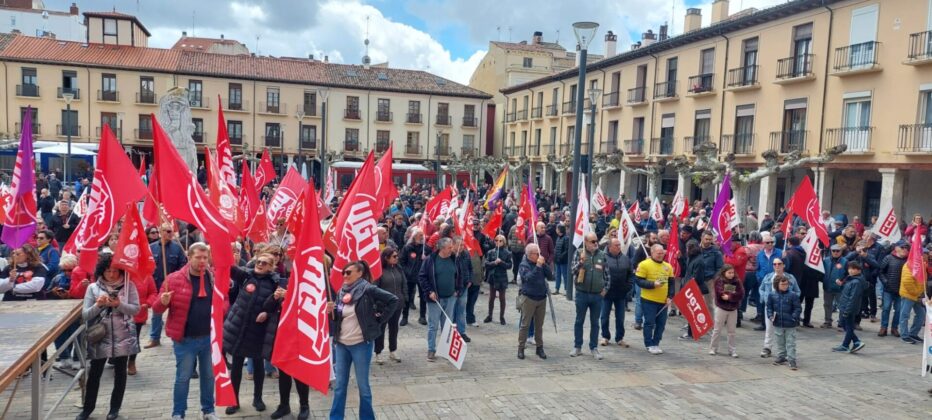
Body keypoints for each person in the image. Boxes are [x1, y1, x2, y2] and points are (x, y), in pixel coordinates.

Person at [151, 243, 220, 420]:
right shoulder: (174, 279)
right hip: (185, 339)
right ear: (189, 258)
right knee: (183, 377)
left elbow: (223, 301)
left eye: (205, 257)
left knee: (208, 376)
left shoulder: (213, 277)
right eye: (198, 257)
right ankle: (178, 413)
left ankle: (208, 410)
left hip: (209, 338)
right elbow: (156, 309)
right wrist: (163, 302)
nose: (202, 261)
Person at [328, 260, 399, 420]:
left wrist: (379, 321)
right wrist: (331, 311)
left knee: (363, 387)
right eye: (343, 273)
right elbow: (338, 318)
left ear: (359, 273)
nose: (345, 275)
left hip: (360, 345)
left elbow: (393, 300)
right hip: (342, 344)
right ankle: (335, 417)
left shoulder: (368, 289)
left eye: (348, 272)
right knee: (339, 386)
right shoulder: (341, 291)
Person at [77, 254, 140, 420]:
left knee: (120, 372)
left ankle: (114, 409)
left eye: (115, 271)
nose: (111, 274)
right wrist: (98, 305)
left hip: (123, 334)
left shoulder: (129, 285)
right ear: (101, 271)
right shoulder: (93, 288)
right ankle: (87, 408)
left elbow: (136, 309)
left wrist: (119, 304)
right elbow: (85, 315)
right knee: (95, 373)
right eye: (107, 271)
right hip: (100, 335)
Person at [222, 252, 284, 415]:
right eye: (258, 261)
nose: (260, 264)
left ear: (271, 267)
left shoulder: (275, 282)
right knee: (236, 365)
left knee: (258, 365)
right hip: (239, 327)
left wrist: (267, 313)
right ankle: (233, 401)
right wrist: (222, 250)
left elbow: (276, 306)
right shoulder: (245, 275)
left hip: (258, 329)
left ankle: (258, 398)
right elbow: (229, 268)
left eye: (264, 263)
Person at [419, 237, 462, 361]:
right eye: (449, 247)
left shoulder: (455, 259)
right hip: (435, 299)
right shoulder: (430, 260)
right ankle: (431, 349)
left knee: (447, 326)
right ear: (442, 248)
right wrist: (430, 291)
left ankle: (446, 350)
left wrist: (458, 290)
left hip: (451, 298)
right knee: (433, 325)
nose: (452, 249)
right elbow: (422, 277)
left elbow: (460, 275)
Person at [147, 223, 188, 348]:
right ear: (161, 232)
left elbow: (182, 266)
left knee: (177, 311)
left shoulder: (177, 248)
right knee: (156, 312)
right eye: (168, 231)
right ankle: (154, 337)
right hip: (157, 285)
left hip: (173, 285)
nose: (171, 234)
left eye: (171, 231)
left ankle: (178, 336)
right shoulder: (152, 248)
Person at [570, 232, 608, 360]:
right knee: (579, 321)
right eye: (592, 241)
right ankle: (577, 346)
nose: (596, 243)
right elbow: (573, 271)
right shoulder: (579, 253)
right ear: (586, 242)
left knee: (595, 323)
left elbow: (607, 274)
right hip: (582, 293)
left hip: (597, 295)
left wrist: (605, 289)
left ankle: (594, 347)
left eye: (596, 240)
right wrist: (581, 262)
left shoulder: (602, 255)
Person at [635, 245, 675, 355]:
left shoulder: (668, 266)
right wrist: (652, 284)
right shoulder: (644, 264)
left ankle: (656, 343)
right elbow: (639, 281)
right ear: (652, 252)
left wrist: (670, 296)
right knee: (649, 323)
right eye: (658, 253)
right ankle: (649, 344)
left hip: (663, 301)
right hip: (648, 299)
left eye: (662, 253)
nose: (660, 255)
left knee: (661, 324)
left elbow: (671, 283)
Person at [758, 258, 800, 357]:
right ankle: (767, 348)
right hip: (771, 307)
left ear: (784, 265)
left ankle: (785, 351)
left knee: (785, 330)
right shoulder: (768, 277)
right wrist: (765, 298)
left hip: (786, 308)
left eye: (779, 264)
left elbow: (797, 291)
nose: (777, 266)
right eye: (774, 264)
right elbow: (761, 289)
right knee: (769, 328)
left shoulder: (790, 278)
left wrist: (792, 300)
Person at [517, 243, 551, 360]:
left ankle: (539, 347)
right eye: (537, 253)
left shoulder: (540, 263)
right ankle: (521, 347)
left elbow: (550, 276)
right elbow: (528, 278)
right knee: (525, 324)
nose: (539, 255)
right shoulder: (524, 265)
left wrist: (544, 265)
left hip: (541, 297)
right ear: (530, 254)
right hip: (529, 298)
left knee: (539, 325)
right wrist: (538, 266)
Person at [375, 247, 406, 364]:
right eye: (394, 256)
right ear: (386, 258)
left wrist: (404, 297)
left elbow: (404, 284)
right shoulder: (379, 271)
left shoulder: (398, 269)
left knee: (394, 328)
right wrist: (377, 304)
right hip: (384, 306)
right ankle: (378, 352)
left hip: (397, 304)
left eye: (397, 256)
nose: (397, 258)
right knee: (381, 329)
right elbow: (375, 288)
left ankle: (393, 350)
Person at [600, 238, 633, 348]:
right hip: (607, 293)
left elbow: (630, 274)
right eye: (616, 245)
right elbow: (599, 274)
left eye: (619, 245)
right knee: (604, 316)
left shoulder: (625, 259)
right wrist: (601, 288)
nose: (619, 247)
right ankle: (605, 336)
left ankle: (620, 338)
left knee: (620, 317)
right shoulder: (603, 257)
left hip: (621, 293)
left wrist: (628, 286)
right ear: (609, 247)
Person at [709, 265, 744, 358]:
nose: (731, 275)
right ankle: (713, 348)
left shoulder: (737, 281)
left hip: (733, 309)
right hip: (721, 308)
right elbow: (720, 293)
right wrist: (732, 294)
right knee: (717, 329)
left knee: (732, 331)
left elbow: (741, 293)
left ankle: (732, 350)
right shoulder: (719, 281)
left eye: (732, 272)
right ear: (724, 272)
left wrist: (730, 296)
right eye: (729, 273)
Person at [767, 275, 802, 370]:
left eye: (786, 284)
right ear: (777, 285)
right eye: (782, 284)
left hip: (790, 323)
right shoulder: (772, 295)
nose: (785, 286)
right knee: (780, 341)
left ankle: (792, 359)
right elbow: (769, 307)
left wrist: (794, 317)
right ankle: (781, 356)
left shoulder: (793, 295)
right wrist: (770, 316)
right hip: (778, 322)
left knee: (791, 342)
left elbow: (798, 308)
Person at [127, 271, 157, 376]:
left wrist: (147, 303)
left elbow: (153, 292)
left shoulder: (146, 275)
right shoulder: (122, 273)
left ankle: (131, 361)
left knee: (134, 339)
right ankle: (118, 362)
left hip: (138, 313)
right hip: (120, 312)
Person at [833, 261, 867, 353]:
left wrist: (847, 310)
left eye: (853, 269)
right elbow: (846, 292)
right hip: (845, 306)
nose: (851, 271)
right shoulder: (850, 279)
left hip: (849, 307)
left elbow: (853, 298)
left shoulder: (856, 282)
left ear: (859, 270)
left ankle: (848, 344)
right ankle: (854, 342)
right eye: (849, 269)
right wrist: (841, 285)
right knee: (845, 325)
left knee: (848, 326)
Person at [398, 227, 430, 326]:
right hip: (410, 277)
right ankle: (405, 317)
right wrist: (407, 271)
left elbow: (431, 261)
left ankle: (422, 316)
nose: (422, 237)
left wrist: (426, 258)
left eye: (422, 235)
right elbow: (401, 261)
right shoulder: (407, 248)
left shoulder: (425, 248)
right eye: (420, 235)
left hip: (422, 277)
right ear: (414, 236)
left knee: (423, 297)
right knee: (407, 297)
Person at [898, 248, 927, 344]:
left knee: (921, 314)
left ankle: (913, 333)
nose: (927, 256)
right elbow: (907, 282)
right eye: (926, 254)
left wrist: (921, 293)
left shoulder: (922, 264)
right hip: (909, 294)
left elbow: (923, 280)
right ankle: (904, 335)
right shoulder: (909, 265)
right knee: (905, 315)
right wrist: (917, 293)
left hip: (917, 294)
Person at [878, 242, 908, 337]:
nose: (904, 249)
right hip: (888, 289)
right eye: (902, 247)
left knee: (898, 310)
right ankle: (883, 327)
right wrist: (885, 282)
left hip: (901, 290)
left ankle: (894, 328)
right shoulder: (888, 258)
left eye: (906, 248)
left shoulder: (908, 260)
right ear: (896, 248)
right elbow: (881, 271)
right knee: (886, 308)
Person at [484, 234, 512, 325]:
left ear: (504, 242)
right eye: (496, 240)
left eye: (500, 241)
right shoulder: (490, 252)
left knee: (502, 298)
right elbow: (486, 264)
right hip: (493, 277)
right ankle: (490, 315)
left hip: (502, 277)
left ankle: (502, 317)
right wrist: (494, 263)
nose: (498, 242)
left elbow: (509, 266)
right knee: (491, 297)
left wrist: (501, 262)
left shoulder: (507, 253)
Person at [822, 244, 849, 329]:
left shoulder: (845, 261)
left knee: (842, 306)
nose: (835, 252)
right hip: (828, 287)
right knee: (827, 305)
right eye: (833, 251)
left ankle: (841, 322)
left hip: (840, 288)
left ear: (841, 252)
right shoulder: (826, 260)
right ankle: (827, 321)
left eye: (838, 251)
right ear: (831, 251)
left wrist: (843, 282)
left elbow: (848, 274)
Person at [553, 224, 570, 295]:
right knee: (557, 275)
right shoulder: (558, 238)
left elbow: (567, 250)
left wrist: (560, 257)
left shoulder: (566, 238)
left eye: (557, 229)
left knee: (565, 275)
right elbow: (556, 248)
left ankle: (567, 290)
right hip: (557, 260)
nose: (556, 230)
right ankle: (557, 289)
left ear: (559, 230)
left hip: (563, 261)